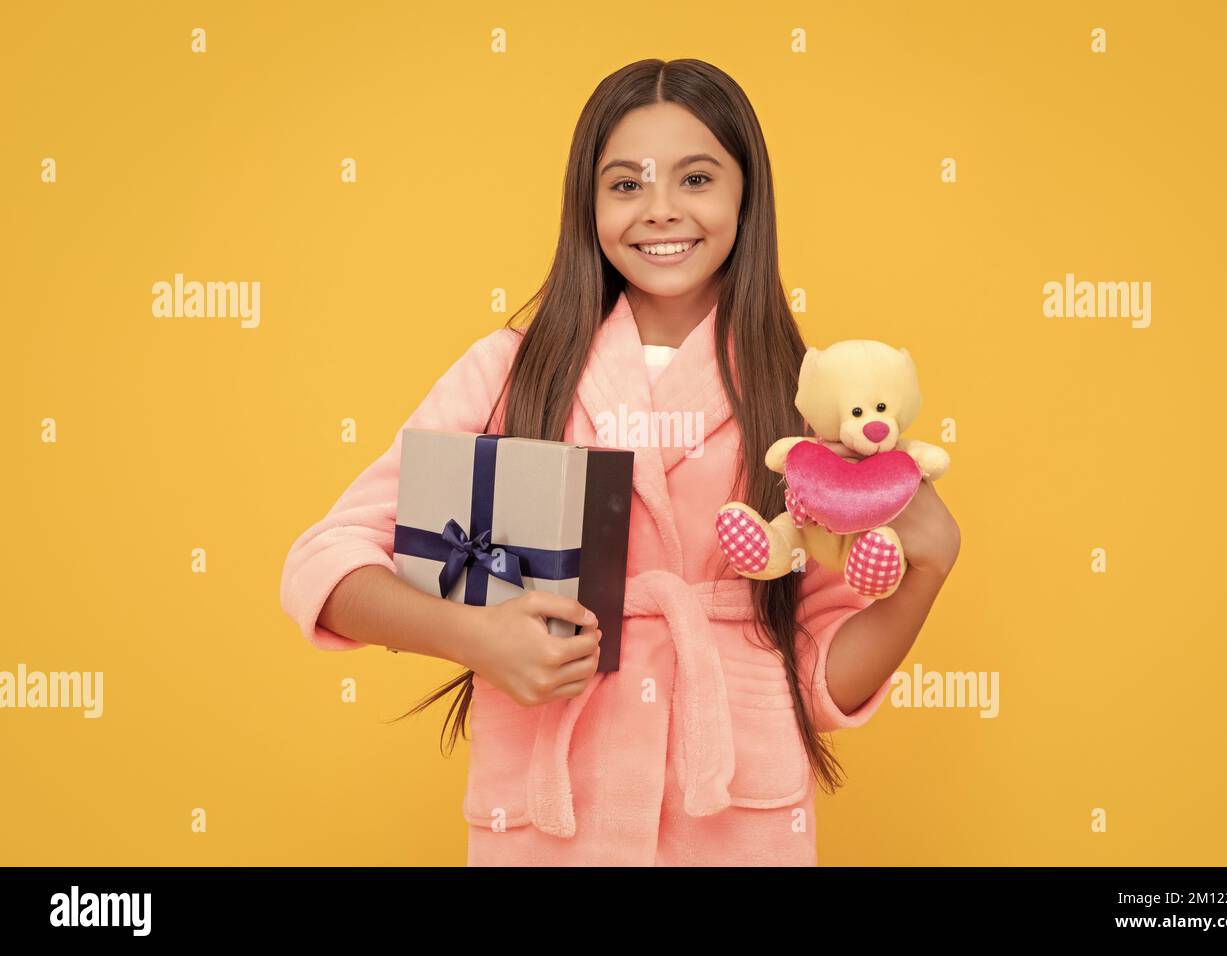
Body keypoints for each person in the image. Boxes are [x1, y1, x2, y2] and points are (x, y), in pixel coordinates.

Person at [279, 58, 960, 866]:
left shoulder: (807, 392)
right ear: (587, 203)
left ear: (747, 196)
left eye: (696, 178)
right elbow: (323, 563)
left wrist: (928, 571)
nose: (661, 210)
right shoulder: (510, 370)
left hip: (739, 823)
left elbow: (821, 682)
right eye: (626, 185)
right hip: (549, 823)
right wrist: (476, 637)